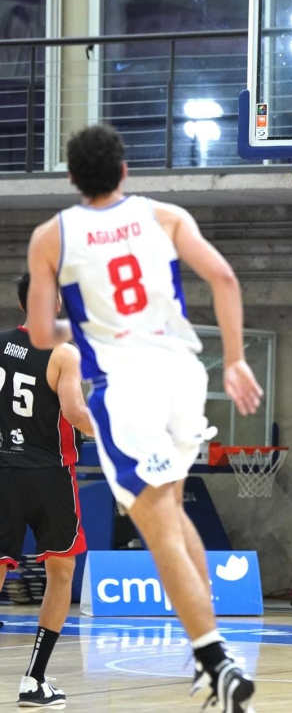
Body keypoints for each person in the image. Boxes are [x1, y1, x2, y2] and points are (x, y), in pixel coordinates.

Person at [27, 124, 264, 713]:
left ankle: (215, 659)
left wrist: (81, 329)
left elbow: (39, 332)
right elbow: (224, 278)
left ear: (73, 178)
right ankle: (214, 657)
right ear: (126, 171)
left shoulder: (50, 237)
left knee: (156, 526)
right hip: (187, 374)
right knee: (173, 508)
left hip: (129, 386)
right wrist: (234, 359)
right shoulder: (166, 216)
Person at [0, 273, 94, 707]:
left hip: (3, 470)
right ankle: (34, 680)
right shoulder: (63, 352)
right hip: (50, 473)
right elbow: (75, 411)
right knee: (61, 571)